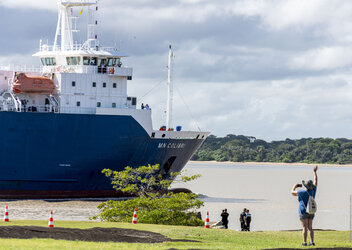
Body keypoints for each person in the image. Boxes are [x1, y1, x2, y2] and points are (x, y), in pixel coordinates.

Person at [291, 166, 318, 247]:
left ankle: (304, 242)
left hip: (303, 211)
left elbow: (292, 192)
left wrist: (295, 186)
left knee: (304, 227)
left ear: (306, 186)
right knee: (310, 227)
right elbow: (316, 181)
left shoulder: (301, 192)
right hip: (311, 210)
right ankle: (312, 242)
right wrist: (315, 172)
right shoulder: (313, 191)